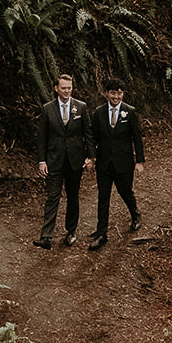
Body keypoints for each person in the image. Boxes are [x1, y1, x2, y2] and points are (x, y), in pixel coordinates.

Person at [34, 73, 94, 249]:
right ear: (56, 89)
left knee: (73, 197)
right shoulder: (47, 109)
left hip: (75, 161)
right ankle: (46, 236)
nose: (67, 91)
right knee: (52, 197)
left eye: (69, 88)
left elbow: (88, 134)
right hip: (54, 161)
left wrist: (91, 157)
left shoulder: (81, 107)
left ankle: (71, 232)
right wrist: (41, 161)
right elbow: (41, 137)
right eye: (64, 88)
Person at [87, 79, 144, 250]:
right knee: (103, 198)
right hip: (104, 163)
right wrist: (90, 157)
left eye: (119, 93)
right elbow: (93, 138)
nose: (116, 96)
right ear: (106, 94)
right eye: (112, 93)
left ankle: (135, 216)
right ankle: (101, 233)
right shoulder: (98, 113)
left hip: (124, 163)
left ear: (123, 94)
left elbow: (137, 139)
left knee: (125, 192)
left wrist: (139, 161)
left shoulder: (130, 112)